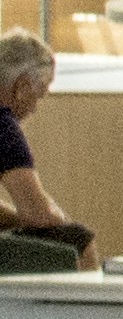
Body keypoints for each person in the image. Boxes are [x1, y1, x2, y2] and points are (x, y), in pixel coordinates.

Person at [0, 31, 91, 270]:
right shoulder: (2, 125)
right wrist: (58, 219)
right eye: (38, 95)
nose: (34, 109)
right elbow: (38, 216)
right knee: (76, 240)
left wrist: (18, 221)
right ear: (22, 86)